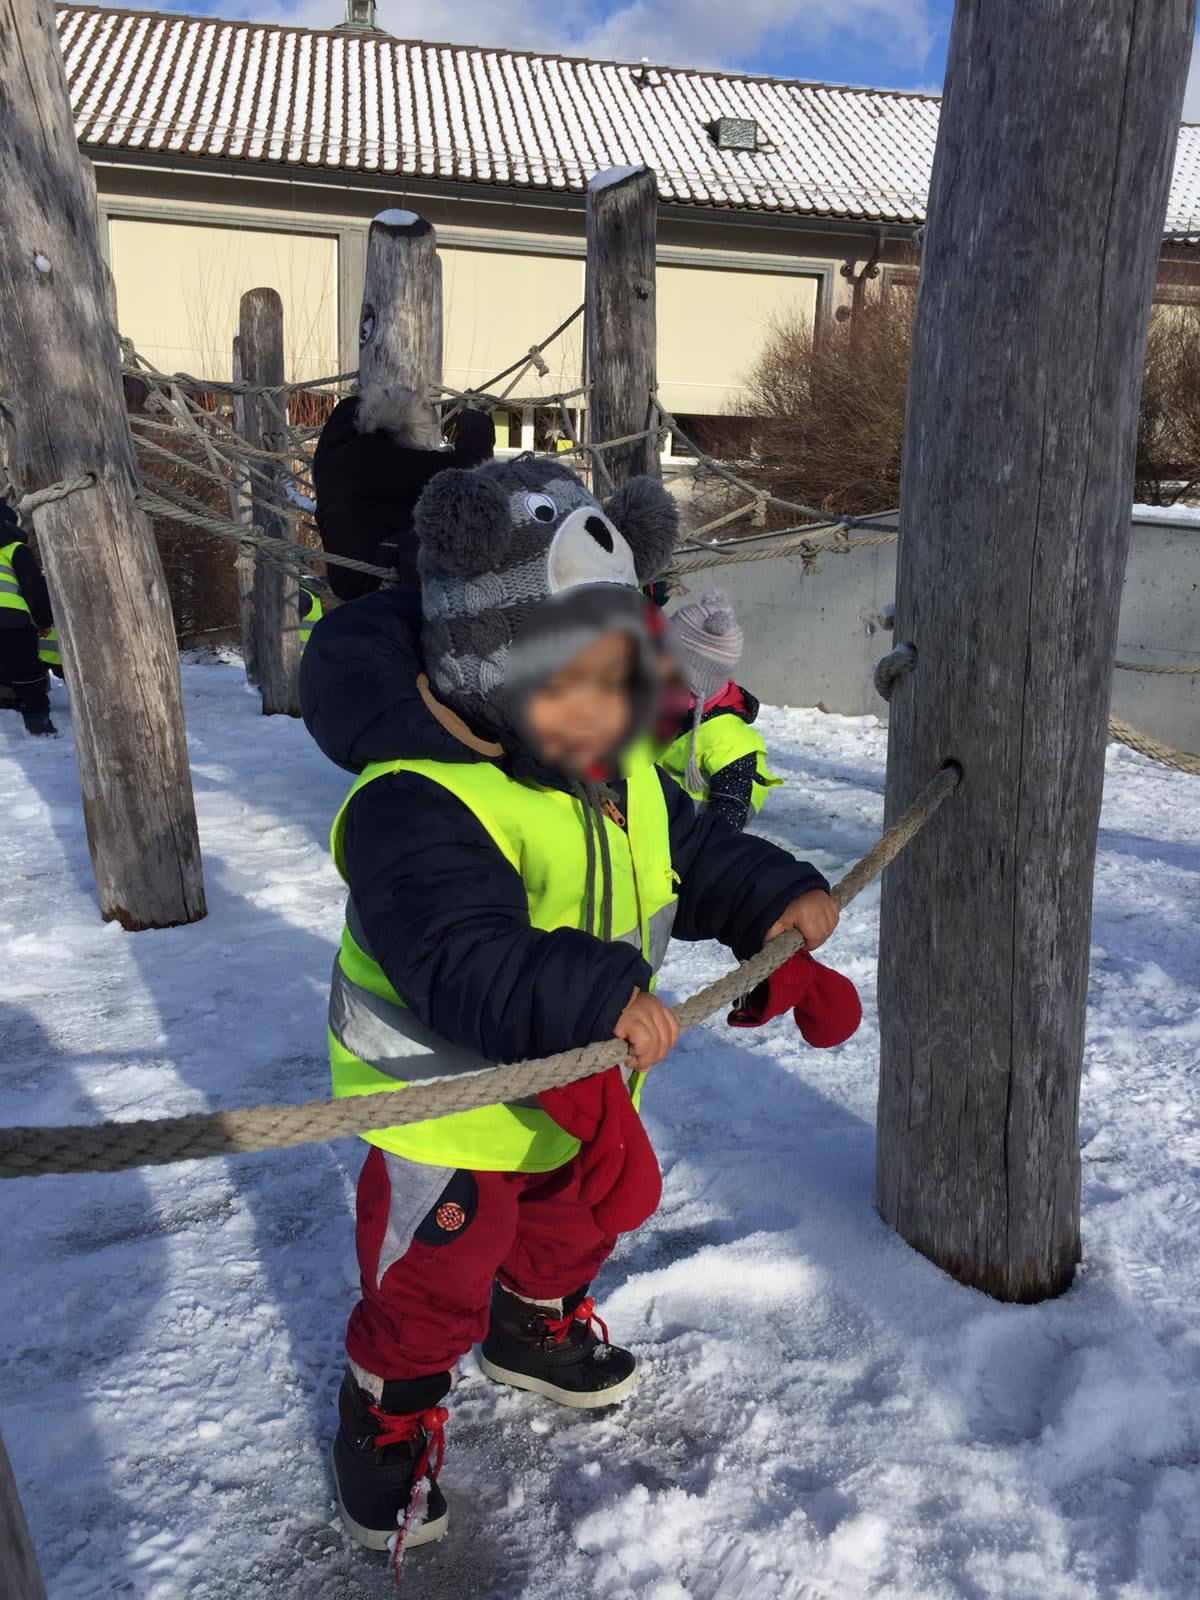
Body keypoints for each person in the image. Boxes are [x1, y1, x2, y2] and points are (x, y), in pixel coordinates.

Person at [304, 454, 860, 1565]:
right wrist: (601, 992)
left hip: (577, 1082)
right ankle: (390, 1413)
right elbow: (459, 952)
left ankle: (534, 1322)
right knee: (434, 1277)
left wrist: (770, 899)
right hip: (446, 1107)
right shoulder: (416, 799)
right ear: (488, 678)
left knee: (571, 1222)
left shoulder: (612, 763)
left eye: (621, 680)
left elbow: (690, 854)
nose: (610, 715)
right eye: (575, 687)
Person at [312, 387, 495, 602]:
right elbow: (467, 470)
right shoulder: (370, 457)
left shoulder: (332, 469)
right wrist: (473, 418)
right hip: (382, 584)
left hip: (352, 588)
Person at [656, 589, 781, 832]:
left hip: (688, 845)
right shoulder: (671, 709)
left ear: (696, 683)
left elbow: (727, 822)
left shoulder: (732, 744)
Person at [0, 498, 57, 737]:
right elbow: (33, 589)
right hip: (12, 621)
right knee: (28, 671)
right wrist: (44, 622)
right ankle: (38, 724)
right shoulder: (15, 550)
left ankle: (7, 701)